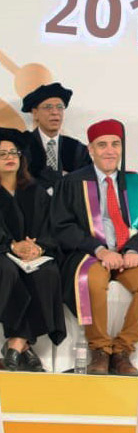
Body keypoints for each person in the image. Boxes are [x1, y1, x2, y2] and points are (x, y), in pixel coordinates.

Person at [51, 119, 138, 377]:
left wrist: (135, 250)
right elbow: (62, 226)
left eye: (115, 144)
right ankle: (99, 350)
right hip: (90, 254)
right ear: (91, 149)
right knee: (90, 280)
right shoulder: (72, 183)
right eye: (102, 145)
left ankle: (122, 351)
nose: (110, 151)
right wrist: (99, 250)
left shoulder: (136, 185)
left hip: (129, 255)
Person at [0, 129, 66, 371]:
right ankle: (24, 346)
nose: (9, 157)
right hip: (2, 254)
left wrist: (38, 247)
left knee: (47, 272)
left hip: (31, 256)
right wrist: (11, 245)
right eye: (2, 154)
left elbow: (51, 227)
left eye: (13, 152)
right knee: (7, 270)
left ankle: (16, 344)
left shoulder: (35, 191)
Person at [19, 82, 91, 193]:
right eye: (48, 107)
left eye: (59, 107)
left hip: (68, 207)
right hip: (31, 206)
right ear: (35, 113)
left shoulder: (76, 148)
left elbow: (88, 181)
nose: (55, 112)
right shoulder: (22, 144)